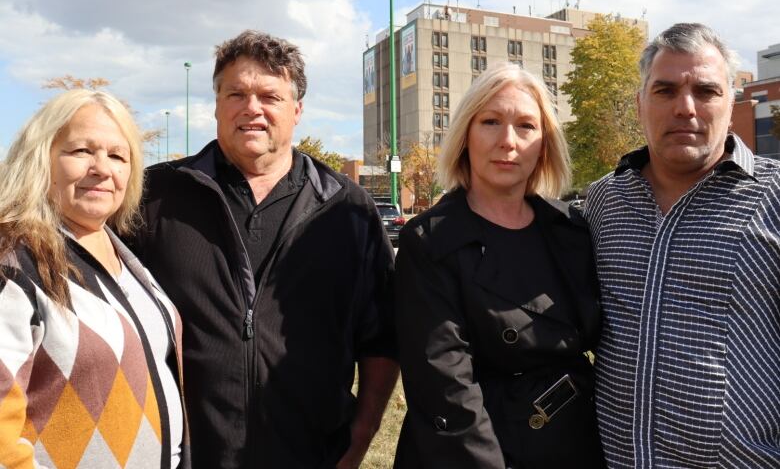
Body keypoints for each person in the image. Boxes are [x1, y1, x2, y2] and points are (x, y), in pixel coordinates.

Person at [130, 30, 398, 468]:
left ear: (297, 110)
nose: (251, 107)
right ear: (216, 106)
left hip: (312, 454)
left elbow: (381, 337)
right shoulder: (155, 197)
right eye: (236, 93)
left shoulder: (348, 209)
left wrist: (361, 435)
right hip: (185, 456)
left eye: (269, 96)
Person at [585, 23, 780, 467]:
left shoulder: (775, 199)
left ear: (732, 104)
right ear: (640, 105)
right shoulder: (602, 203)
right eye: (665, 90)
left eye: (706, 91)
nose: (685, 108)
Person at [394, 62, 604, 468]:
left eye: (526, 126)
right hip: (475, 450)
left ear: (544, 143)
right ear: (465, 136)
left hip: (573, 443)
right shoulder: (430, 240)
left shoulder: (571, 231)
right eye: (491, 121)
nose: (508, 141)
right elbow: (446, 388)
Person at [0, 89, 188, 468]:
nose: (103, 168)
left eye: (118, 156)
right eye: (82, 151)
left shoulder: (128, 260)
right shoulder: (13, 262)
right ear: (41, 159)